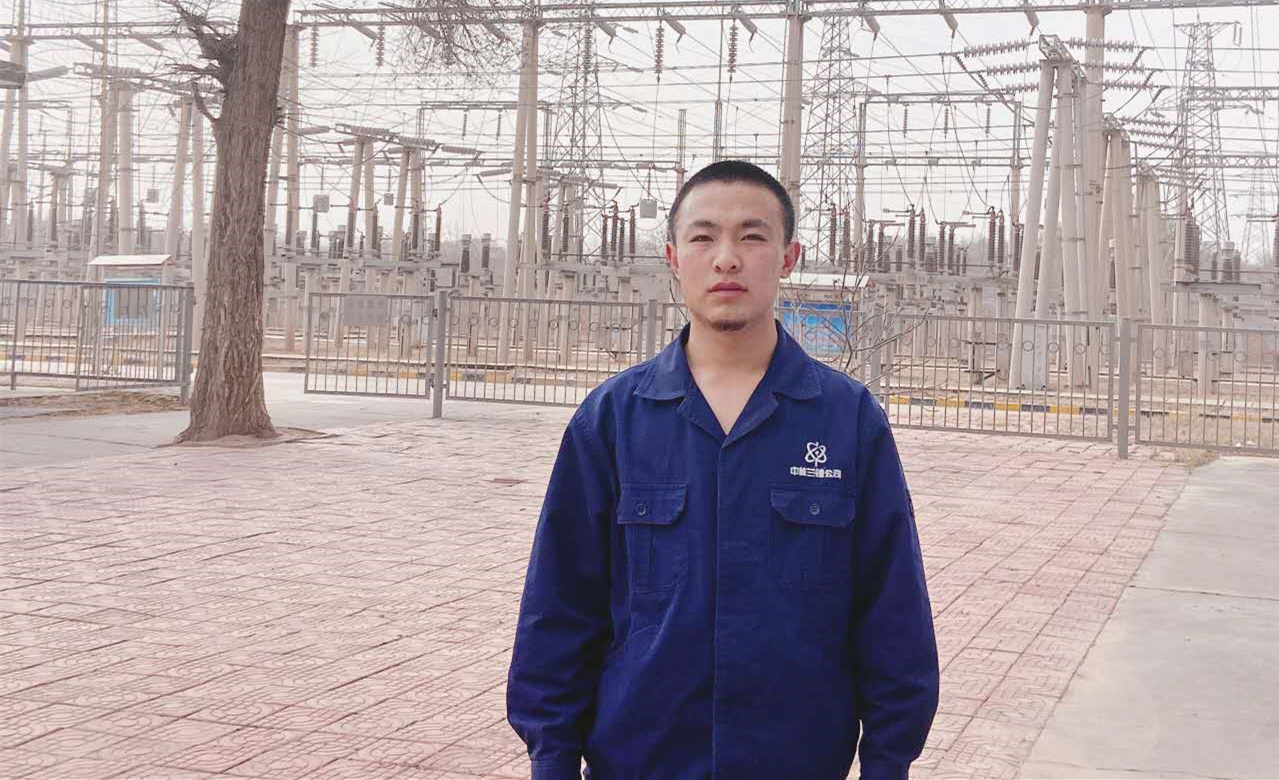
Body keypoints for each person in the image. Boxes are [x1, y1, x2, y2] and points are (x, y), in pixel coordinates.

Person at [507, 160, 938, 780]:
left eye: (753, 237)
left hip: (796, 761)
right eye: (703, 237)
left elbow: (892, 608)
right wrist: (551, 757)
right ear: (673, 258)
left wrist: (888, 762)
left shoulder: (846, 419)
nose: (727, 259)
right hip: (638, 758)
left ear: (788, 257)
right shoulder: (614, 418)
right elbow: (559, 602)